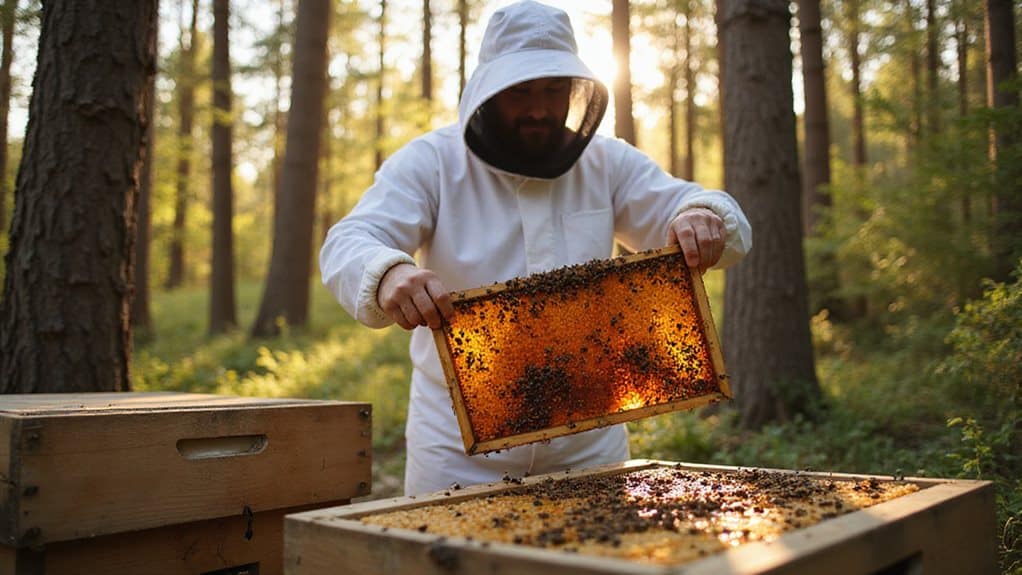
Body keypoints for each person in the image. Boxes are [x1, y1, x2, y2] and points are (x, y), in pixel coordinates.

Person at [320, 0, 752, 496]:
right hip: (456, 447)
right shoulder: (432, 162)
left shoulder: (607, 162)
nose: (539, 109)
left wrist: (702, 217)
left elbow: (701, 211)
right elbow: (348, 241)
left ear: (576, 89)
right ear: (488, 90)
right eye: (520, 91)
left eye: (554, 90)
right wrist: (389, 273)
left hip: (591, 442)